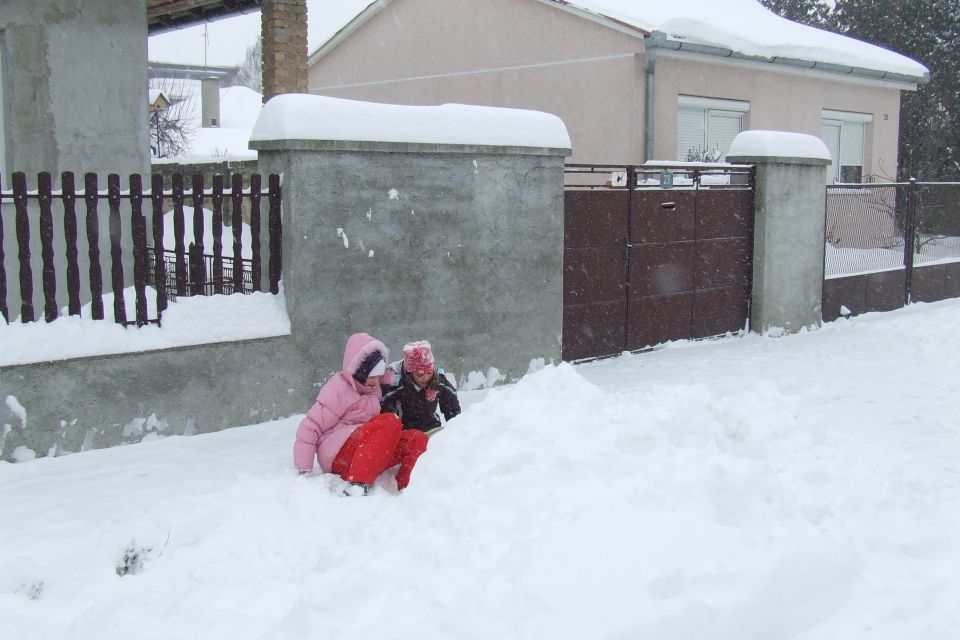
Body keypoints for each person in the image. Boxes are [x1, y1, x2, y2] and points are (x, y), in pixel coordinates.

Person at [293, 332, 428, 493]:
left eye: (379, 376)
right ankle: (356, 484)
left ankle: (406, 488)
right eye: (372, 377)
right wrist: (304, 469)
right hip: (339, 455)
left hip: (366, 452)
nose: (376, 381)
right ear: (360, 371)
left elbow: (386, 376)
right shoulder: (339, 390)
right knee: (390, 421)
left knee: (417, 438)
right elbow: (311, 425)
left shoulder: (372, 387)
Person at [381, 340, 461, 436]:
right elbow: (385, 404)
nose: (426, 378)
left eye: (429, 373)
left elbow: (451, 402)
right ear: (409, 373)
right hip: (405, 430)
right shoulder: (398, 383)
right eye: (420, 374)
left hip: (432, 426)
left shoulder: (437, 380)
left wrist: (455, 426)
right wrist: (392, 426)